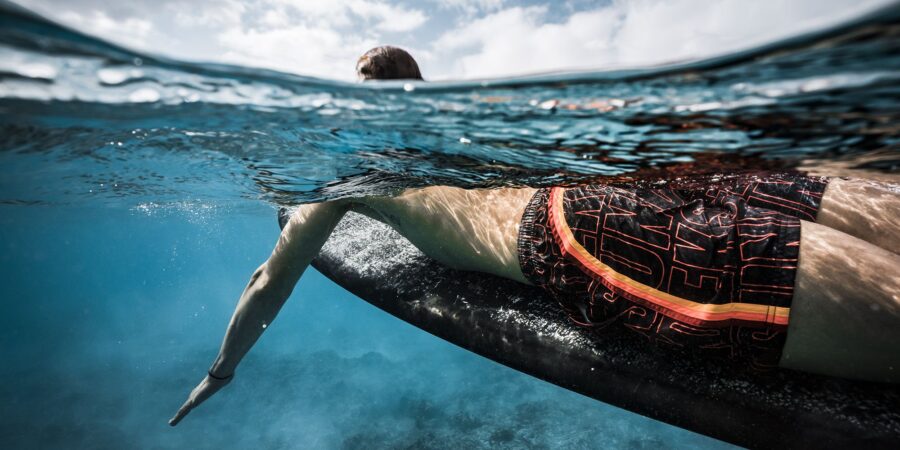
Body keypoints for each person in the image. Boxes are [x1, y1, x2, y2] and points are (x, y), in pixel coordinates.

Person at [169, 47, 900, 426]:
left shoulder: (341, 174)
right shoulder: (472, 124)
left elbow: (270, 279)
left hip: (580, 231)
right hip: (641, 183)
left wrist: (223, 370)